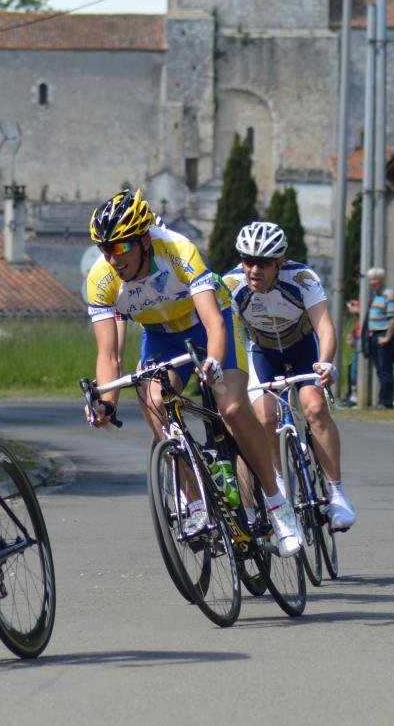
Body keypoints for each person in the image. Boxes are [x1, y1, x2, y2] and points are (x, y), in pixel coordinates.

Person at [82, 189, 302, 558]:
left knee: (231, 406)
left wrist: (214, 362)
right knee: (153, 401)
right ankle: (197, 501)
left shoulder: (177, 251)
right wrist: (105, 401)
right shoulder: (101, 279)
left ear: (143, 242)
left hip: (208, 326)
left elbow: (214, 324)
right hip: (162, 338)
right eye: (104, 250)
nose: (111, 258)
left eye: (119, 248)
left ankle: (277, 503)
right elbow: (108, 355)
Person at [221, 221, 357, 531]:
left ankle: (336, 493)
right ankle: (279, 487)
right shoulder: (232, 286)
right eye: (248, 261)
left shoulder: (302, 279)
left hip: (302, 350)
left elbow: (325, 327)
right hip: (261, 353)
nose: (254, 270)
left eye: (264, 263)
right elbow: (224, 333)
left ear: (280, 262)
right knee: (266, 418)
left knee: (314, 407)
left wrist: (325, 362)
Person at [365, 266, 394, 409]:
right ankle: (382, 400)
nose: (372, 283)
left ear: (381, 280)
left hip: (383, 335)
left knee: (385, 370)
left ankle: (386, 401)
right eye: (370, 280)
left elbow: (393, 318)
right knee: (379, 369)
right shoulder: (376, 295)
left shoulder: (388, 294)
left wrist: (387, 337)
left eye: (375, 280)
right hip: (375, 335)